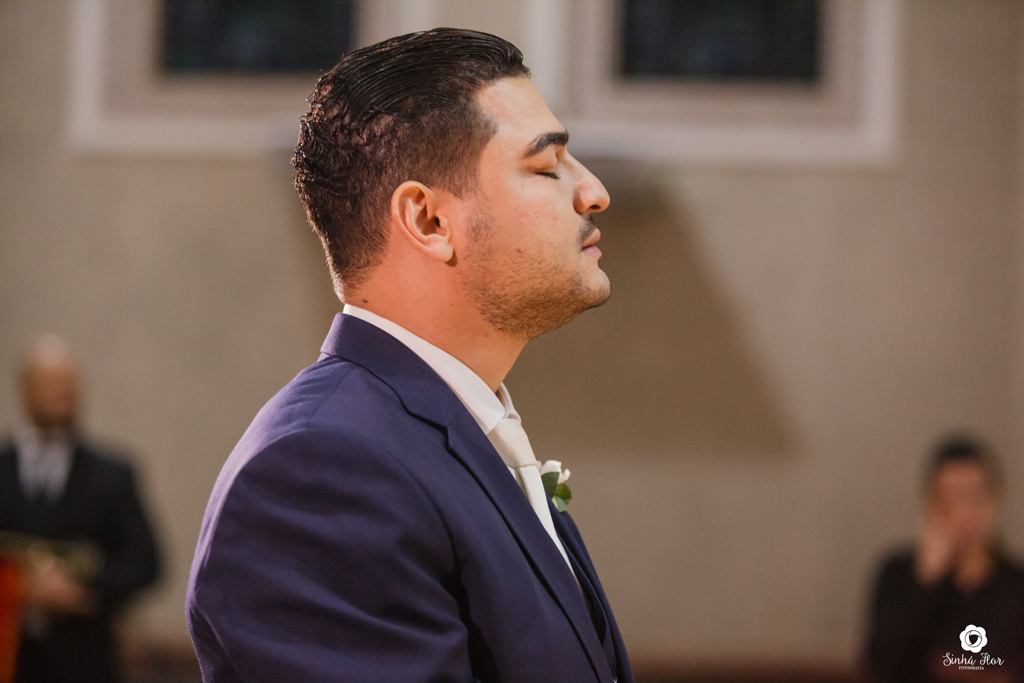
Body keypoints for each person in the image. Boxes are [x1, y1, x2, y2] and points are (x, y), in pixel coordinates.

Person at [186, 28, 633, 683]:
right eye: (547, 166)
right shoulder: (320, 472)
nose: (593, 191)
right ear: (428, 220)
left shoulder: (436, 431)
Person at [0, 334, 161, 683]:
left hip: (85, 661)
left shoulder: (112, 475)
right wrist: (20, 589)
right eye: (52, 383)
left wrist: (83, 588)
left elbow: (146, 562)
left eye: (71, 384)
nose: (64, 393)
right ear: (25, 390)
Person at [865, 436, 1024, 682]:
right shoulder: (899, 575)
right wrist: (925, 580)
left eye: (974, 496)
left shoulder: (1016, 586)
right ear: (929, 502)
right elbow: (881, 666)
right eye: (950, 498)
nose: (963, 512)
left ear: (995, 499)